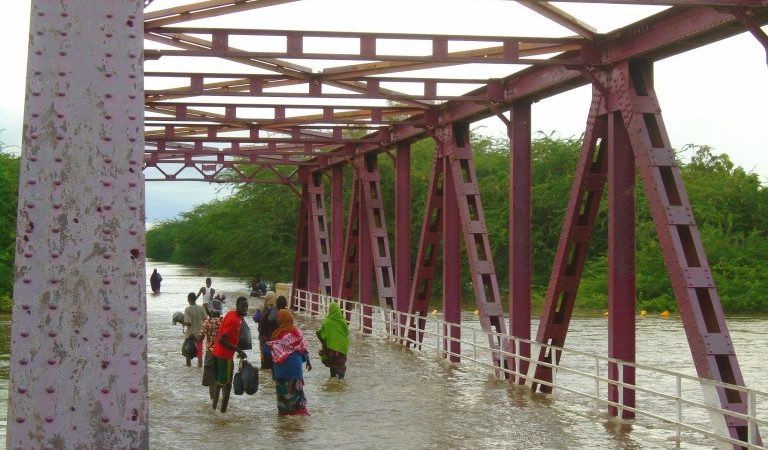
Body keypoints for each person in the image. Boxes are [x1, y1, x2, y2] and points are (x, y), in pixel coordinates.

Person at [263, 309, 312, 416]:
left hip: (281, 373)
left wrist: (266, 344)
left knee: (283, 406)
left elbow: (268, 350)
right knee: (298, 404)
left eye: (279, 317)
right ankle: (298, 428)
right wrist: (307, 360)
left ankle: (284, 430)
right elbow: (303, 351)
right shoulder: (298, 333)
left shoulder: (277, 334)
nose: (277, 319)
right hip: (296, 373)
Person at [210, 296, 248, 413]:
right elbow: (222, 339)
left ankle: (214, 409)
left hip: (216, 352)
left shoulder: (231, 314)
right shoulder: (235, 321)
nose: (246, 309)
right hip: (224, 356)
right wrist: (238, 350)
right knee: (227, 385)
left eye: (247, 306)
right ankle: (223, 413)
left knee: (218, 383)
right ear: (238, 307)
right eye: (243, 307)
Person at [316, 302, 349, 379]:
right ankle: (341, 381)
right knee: (340, 365)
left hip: (331, 350)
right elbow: (346, 333)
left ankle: (332, 380)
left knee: (332, 365)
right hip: (342, 349)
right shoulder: (343, 322)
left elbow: (323, 335)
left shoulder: (327, 322)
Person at [255, 292, 286, 370]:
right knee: (274, 360)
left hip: (263, 337)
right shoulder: (278, 310)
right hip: (275, 338)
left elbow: (255, 318)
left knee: (264, 359)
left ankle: (265, 375)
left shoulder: (262, 307)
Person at [200, 297, 224, 399]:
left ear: (210, 309)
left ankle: (213, 402)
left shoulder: (207, 322)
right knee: (222, 378)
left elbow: (200, 338)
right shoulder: (224, 321)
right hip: (223, 353)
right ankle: (223, 401)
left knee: (211, 380)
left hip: (210, 353)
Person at [182, 292, 207, 367]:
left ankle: (188, 370)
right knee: (199, 355)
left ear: (189, 300)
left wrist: (182, 322)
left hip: (190, 336)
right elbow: (206, 320)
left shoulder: (187, 310)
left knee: (188, 354)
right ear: (195, 299)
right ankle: (199, 370)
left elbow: (188, 323)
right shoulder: (201, 308)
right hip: (199, 335)